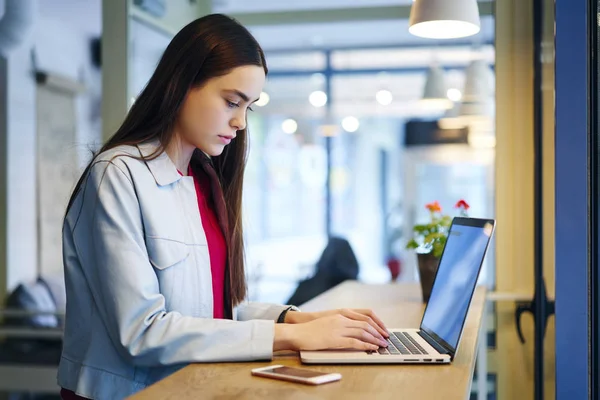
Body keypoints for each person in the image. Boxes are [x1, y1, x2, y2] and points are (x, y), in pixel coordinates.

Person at [57, 14, 389, 400]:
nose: (240, 122)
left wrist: (299, 318)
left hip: (192, 388)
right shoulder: (118, 175)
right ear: (182, 83)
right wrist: (295, 336)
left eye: (249, 107)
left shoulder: (203, 179)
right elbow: (143, 333)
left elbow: (210, 315)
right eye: (232, 101)